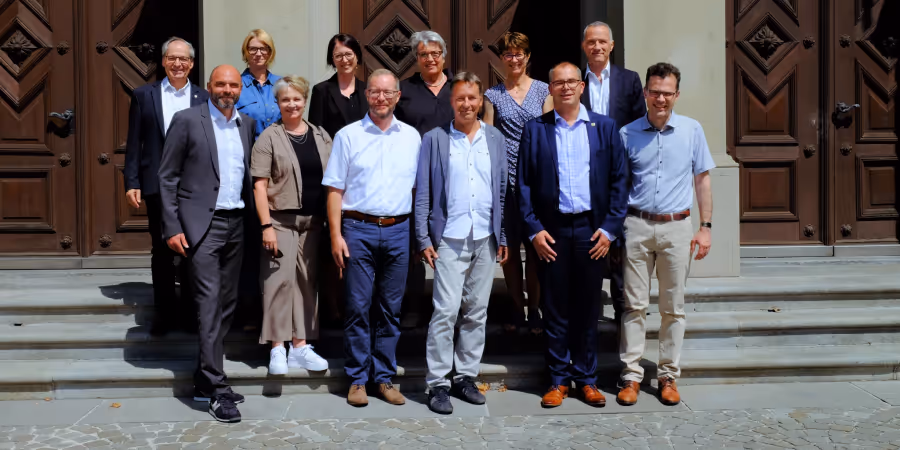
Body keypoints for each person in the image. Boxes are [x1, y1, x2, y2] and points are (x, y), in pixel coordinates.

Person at [517, 62, 628, 408]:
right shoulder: (535, 129)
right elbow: (523, 184)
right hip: (551, 232)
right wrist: (534, 229)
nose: (565, 87)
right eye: (558, 83)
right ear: (550, 89)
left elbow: (619, 181)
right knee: (555, 307)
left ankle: (587, 379)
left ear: (582, 87)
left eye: (571, 82)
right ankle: (558, 380)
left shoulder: (604, 127)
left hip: (591, 231)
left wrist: (610, 229)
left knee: (587, 308)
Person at [158, 65, 255, 423]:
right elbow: (167, 176)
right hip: (202, 226)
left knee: (226, 303)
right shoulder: (187, 120)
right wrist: (172, 226)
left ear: (239, 89)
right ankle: (216, 388)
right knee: (209, 303)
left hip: (237, 223)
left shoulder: (246, 124)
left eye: (233, 85)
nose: (227, 90)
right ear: (210, 86)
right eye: (221, 84)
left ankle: (204, 377)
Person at [616, 63, 714, 407]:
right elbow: (618, 184)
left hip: (677, 228)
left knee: (673, 307)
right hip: (637, 225)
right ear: (645, 92)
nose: (661, 99)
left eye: (667, 93)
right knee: (634, 306)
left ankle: (668, 375)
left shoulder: (692, 130)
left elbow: (702, 180)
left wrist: (705, 227)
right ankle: (631, 376)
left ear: (677, 95)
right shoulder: (627, 134)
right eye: (655, 92)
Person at [322, 69, 421, 407]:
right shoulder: (348, 136)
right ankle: (357, 379)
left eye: (387, 92)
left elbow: (417, 190)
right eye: (375, 92)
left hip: (398, 229)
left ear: (397, 97)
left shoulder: (411, 137)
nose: (381, 98)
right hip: (358, 229)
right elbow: (335, 189)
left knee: (391, 308)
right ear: (367, 96)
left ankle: (384, 377)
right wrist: (336, 235)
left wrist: (417, 235)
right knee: (357, 306)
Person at [415, 72, 508, 415]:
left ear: (481, 100)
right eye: (460, 98)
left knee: (477, 311)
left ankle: (465, 376)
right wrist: (423, 237)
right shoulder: (435, 139)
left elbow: (501, 189)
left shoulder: (494, 138)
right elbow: (423, 191)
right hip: (449, 237)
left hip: (484, 235)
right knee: (445, 311)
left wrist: (503, 234)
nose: (466, 104)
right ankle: (438, 383)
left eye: (472, 98)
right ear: (451, 102)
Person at [124, 37, 207, 336]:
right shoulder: (144, 95)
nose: (178, 64)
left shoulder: (204, 97)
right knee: (161, 250)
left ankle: (190, 314)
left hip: (194, 186)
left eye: (183, 59)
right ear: (163, 61)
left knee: (192, 249)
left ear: (192, 64)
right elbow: (134, 141)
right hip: (157, 184)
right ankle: (164, 314)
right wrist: (131, 181)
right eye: (172, 58)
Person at [251, 75, 331, 376]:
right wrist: (266, 226)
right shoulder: (269, 137)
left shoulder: (321, 136)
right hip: (280, 221)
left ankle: (300, 346)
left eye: (297, 98)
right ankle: (277, 346)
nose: (292, 104)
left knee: (306, 283)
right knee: (278, 282)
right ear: (278, 103)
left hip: (313, 222)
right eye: (285, 99)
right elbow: (259, 186)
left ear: (305, 100)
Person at [483, 31, 553, 336]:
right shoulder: (492, 95)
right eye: (508, 54)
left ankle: (534, 307)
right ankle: (515, 304)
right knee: (509, 248)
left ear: (528, 56)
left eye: (519, 53)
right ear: (501, 58)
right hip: (506, 181)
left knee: (536, 248)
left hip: (536, 181)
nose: (514, 59)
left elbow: (550, 134)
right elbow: (487, 136)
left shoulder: (543, 91)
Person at [580, 21, 647, 328]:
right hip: (583, 176)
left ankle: (624, 322)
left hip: (620, 175)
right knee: (589, 246)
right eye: (591, 42)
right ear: (584, 46)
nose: (597, 46)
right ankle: (588, 319)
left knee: (620, 249)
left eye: (602, 41)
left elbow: (639, 125)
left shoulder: (629, 80)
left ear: (612, 45)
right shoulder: (575, 81)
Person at [308, 33, 368, 328]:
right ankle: (331, 307)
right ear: (332, 59)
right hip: (332, 175)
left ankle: (355, 304)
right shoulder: (322, 91)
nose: (344, 60)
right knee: (332, 240)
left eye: (348, 54)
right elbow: (317, 134)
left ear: (357, 57)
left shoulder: (368, 91)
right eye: (338, 55)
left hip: (364, 178)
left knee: (358, 242)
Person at [395, 31, 455, 329]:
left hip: (455, 175)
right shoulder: (405, 90)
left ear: (444, 56)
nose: (429, 59)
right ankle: (414, 306)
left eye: (435, 53)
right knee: (415, 243)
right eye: (423, 54)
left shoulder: (459, 86)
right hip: (415, 176)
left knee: (452, 241)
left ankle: (452, 307)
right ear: (416, 58)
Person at [236, 29, 282, 139]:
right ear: (245, 52)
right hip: (249, 147)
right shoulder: (236, 85)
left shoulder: (282, 84)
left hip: (279, 147)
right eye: (253, 49)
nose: (258, 53)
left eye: (263, 49)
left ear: (270, 52)